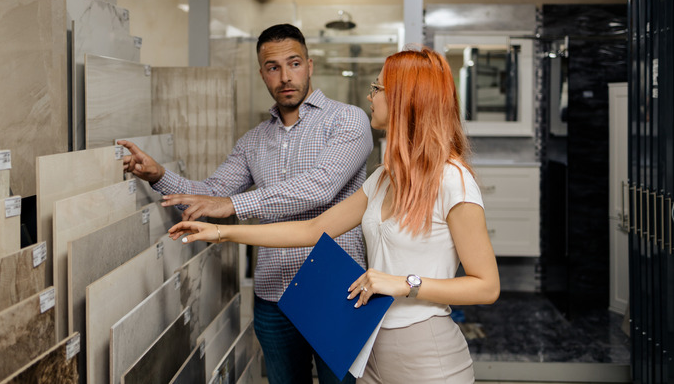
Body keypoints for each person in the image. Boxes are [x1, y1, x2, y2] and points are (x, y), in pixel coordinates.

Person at [168, 47, 501, 383]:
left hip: (425, 350)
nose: (370, 97)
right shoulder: (384, 178)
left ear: (404, 99)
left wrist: (404, 283)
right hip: (372, 344)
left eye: (377, 89)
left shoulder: (453, 180)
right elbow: (313, 229)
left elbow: (486, 286)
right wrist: (222, 232)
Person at [118, 23, 373, 384]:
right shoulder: (254, 140)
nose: (285, 76)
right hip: (273, 298)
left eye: (294, 63)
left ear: (310, 65)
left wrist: (233, 205)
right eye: (273, 67)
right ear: (262, 74)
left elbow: (320, 188)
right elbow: (211, 194)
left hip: (339, 291)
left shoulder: (348, 120)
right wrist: (159, 175)